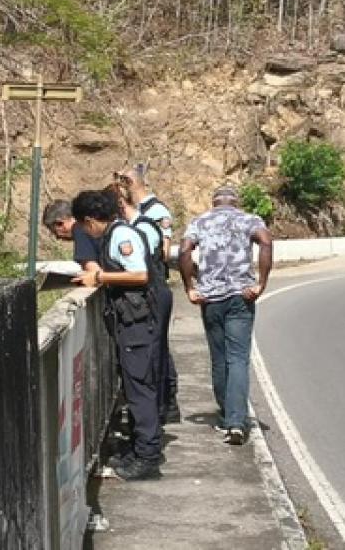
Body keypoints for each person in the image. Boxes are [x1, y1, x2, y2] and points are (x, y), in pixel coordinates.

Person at [70, 190, 163, 480]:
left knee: (140, 389)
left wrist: (98, 277)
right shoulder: (115, 234)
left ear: (89, 221)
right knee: (135, 387)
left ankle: (147, 457)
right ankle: (140, 449)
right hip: (131, 321)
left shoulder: (122, 236)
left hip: (137, 322)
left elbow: (139, 275)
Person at [178, 184, 273, 446]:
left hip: (211, 298)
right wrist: (261, 283)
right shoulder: (249, 220)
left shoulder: (199, 222)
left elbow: (184, 250)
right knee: (238, 359)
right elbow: (266, 241)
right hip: (241, 296)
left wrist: (190, 287)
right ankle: (236, 421)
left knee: (219, 358)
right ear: (236, 202)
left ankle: (225, 412)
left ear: (214, 202)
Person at [105, 183, 178, 425]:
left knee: (152, 356)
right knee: (155, 353)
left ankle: (161, 410)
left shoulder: (139, 229)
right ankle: (162, 407)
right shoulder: (137, 227)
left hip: (153, 294)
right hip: (153, 293)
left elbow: (145, 268)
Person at [42, 199, 101, 273]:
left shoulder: (79, 230)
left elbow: (94, 273)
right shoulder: (95, 224)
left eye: (55, 232)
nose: (58, 238)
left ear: (60, 223)